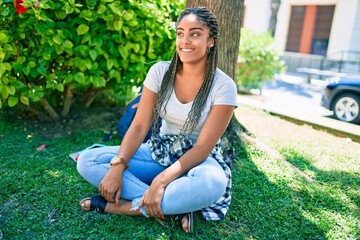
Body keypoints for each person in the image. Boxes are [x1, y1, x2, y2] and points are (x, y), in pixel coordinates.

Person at [77, 7, 238, 233]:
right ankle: (178, 205)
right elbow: (140, 126)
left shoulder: (224, 86)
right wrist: (117, 165)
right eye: (180, 33)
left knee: (213, 183)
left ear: (210, 40)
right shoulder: (159, 72)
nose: (185, 41)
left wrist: (160, 181)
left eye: (195, 34)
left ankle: (125, 208)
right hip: (160, 150)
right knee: (87, 161)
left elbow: (202, 148)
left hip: (199, 160)